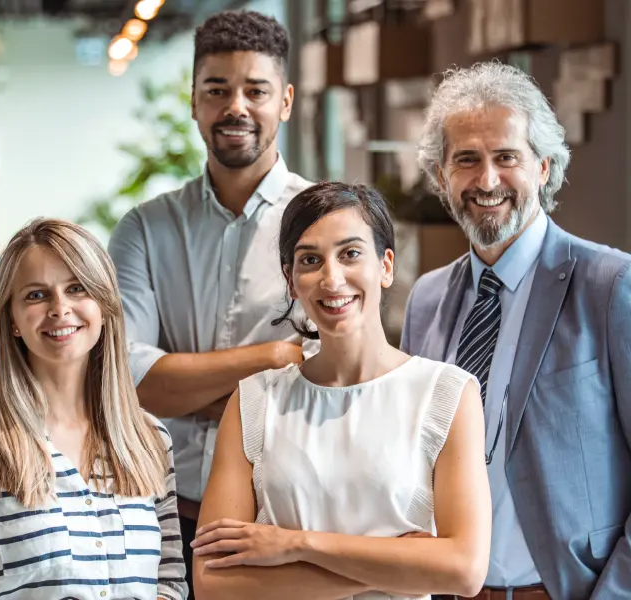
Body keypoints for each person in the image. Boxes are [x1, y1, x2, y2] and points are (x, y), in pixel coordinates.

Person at [191, 181, 492, 600]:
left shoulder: (446, 394)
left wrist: (296, 544)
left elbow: (463, 570)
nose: (332, 278)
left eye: (350, 254)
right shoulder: (253, 402)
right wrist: (401, 567)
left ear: (386, 266)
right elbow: (213, 583)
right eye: (310, 260)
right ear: (291, 281)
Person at [402, 61, 631, 600]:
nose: (486, 180)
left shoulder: (610, 285)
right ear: (441, 176)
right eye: (466, 160)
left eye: (507, 157)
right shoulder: (426, 300)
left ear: (544, 168)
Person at [108, 10, 315, 596]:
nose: (236, 107)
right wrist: (274, 357)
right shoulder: (144, 230)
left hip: (287, 519)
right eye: (217, 90)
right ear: (194, 101)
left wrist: (188, 384)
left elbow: (328, 378)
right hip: (161, 518)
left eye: (256, 90)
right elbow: (129, 382)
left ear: (287, 101)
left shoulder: (325, 222)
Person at [0, 219, 188, 600]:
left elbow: (170, 584)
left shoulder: (149, 438)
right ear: (12, 320)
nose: (60, 308)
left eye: (77, 288)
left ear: (105, 305)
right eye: (36, 295)